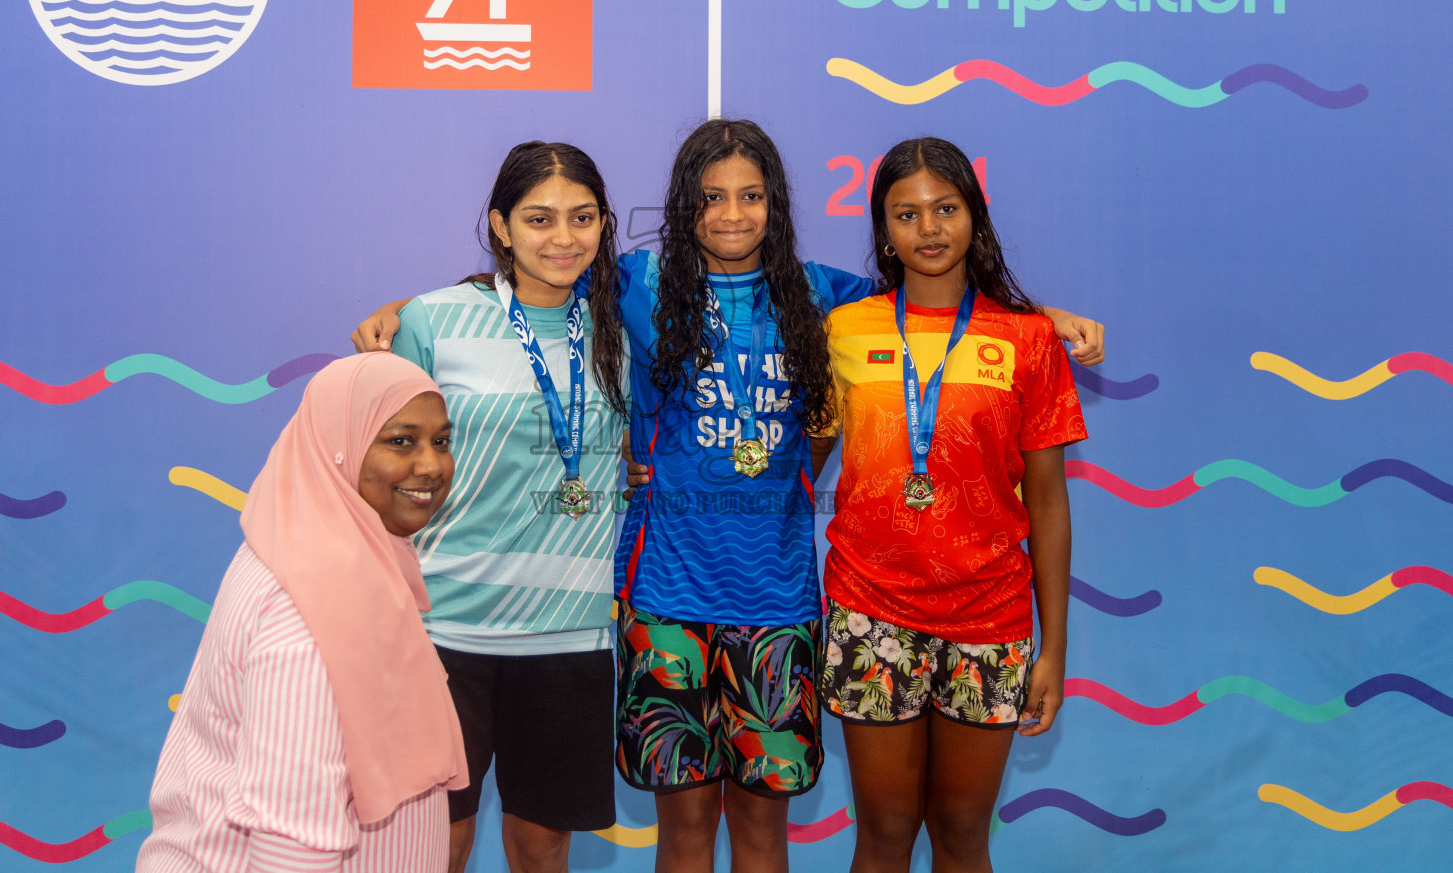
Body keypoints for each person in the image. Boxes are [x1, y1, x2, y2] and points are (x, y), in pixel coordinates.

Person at [353, 120, 1102, 873]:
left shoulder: (821, 297)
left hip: (777, 604)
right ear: (685, 205)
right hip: (664, 604)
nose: (733, 215)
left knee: (760, 832)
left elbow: (929, 308)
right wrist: (407, 309)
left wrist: (1042, 320)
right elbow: (535, 279)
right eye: (712, 198)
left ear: (775, 203)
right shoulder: (639, 283)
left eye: (751, 196)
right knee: (683, 833)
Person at [352, 141, 630, 873]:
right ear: (500, 226)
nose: (563, 238)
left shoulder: (624, 328)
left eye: (582, 218)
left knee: (542, 849)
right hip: (444, 632)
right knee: (436, 846)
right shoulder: (432, 322)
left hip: (568, 637)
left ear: (604, 225)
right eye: (539, 219)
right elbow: (379, 468)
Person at [815, 137, 1084, 873]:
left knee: (964, 834)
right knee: (884, 834)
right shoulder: (843, 328)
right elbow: (794, 463)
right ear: (883, 231)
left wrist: (1052, 648)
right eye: (907, 213)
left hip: (990, 620)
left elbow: (1050, 504)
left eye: (946, 208)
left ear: (975, 218)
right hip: (870, 611)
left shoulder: (1029, 340)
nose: (928, 228)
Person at [137, 352, 468, 873]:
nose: (431, 465)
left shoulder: (317, 548)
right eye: (400, 441)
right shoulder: (314, 611)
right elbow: (292, 842)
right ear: (338, 447)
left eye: (441, 441)